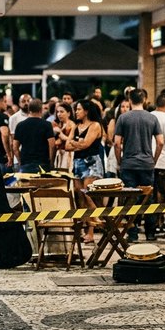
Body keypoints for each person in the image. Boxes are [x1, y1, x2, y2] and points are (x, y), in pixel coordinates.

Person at [114, 88, 164, 242]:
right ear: (144, 100)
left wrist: (120, 161)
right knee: (147, 199)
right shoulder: (152, 118)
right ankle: (150, 233)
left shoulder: (123, 118)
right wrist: (153, 160)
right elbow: (161, 142)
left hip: (129, 164)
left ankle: (133, 232)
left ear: (129, 100)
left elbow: (116, 143)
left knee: (130, 199)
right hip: (147, 164)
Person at [66, 99, 105, 243]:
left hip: (91, 163)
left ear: (87, 111)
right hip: (78, 163)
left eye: (79, 109)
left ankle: (97, 222)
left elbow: (86, 144)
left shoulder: (95, 125)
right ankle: (85, 230)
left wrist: (75, 143)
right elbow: (67, 146)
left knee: (88, 194)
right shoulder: (76, 127)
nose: (76, 112)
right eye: (75, 109)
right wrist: (78, 144)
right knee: (79, 197)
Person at [12, 98, 55, 173]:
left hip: (26, 164)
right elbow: (52, 145)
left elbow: (15, 147)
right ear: (40, 110)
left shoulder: (20, 125)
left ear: (29, 110)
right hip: (43, 164)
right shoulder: (47, 125)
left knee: (27, 184)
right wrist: (51, 162)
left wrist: (20, 161)